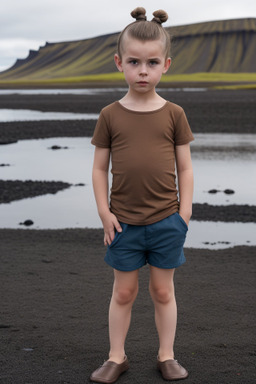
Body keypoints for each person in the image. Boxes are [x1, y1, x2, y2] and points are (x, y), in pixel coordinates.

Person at [90, 7, 194, 383]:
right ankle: (116, 357)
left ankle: (167, 355)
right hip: (123, 223)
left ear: (166, 64)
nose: (143, 71)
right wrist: (104, 212)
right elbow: (100, 168)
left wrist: (184, 214)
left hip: (167, 220)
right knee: (124, 292)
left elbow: (185, 167)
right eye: (134, 62)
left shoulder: (174, 114)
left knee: (163, 291)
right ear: (120, 63)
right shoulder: (110, 115)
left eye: (152, 62)